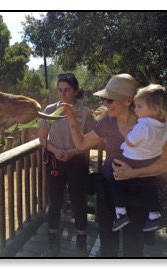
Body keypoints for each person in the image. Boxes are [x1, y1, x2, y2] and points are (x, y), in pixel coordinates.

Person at [61, 74, 167, 257]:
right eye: (104, 99)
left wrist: (134, 172)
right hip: (109, 191)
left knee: (134, 245)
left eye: (109, 100)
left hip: (138, 193)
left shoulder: (147, 124)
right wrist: (71, 120)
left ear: (127, 101)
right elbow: (82, 144)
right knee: (107, 241)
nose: (105, 104)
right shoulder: (108, 122)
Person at [38, 72, 96, 257]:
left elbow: (90, 141)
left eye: (67, 90)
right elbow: (42, 138)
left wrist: (72, 152)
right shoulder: (50, 110)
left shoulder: (85, 112)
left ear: (75, 91)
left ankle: (81, 244)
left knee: (79, 201)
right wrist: (55, 151)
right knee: (55, 201)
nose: (62, 94)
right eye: (59, 90)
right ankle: (52, 243)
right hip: (55, 161)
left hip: (77, 161)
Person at [111, 84, 167, 233]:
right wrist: (159, 141)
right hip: (150, 160)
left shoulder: (143, 125)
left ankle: (120, 213)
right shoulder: (166, 124)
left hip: (132, 160)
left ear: (155, 108)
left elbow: (130, 142)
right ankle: (154, 216)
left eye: (139, 107)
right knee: (147, 189)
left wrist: (126, 132)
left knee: (116, 178)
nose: (135, 110)